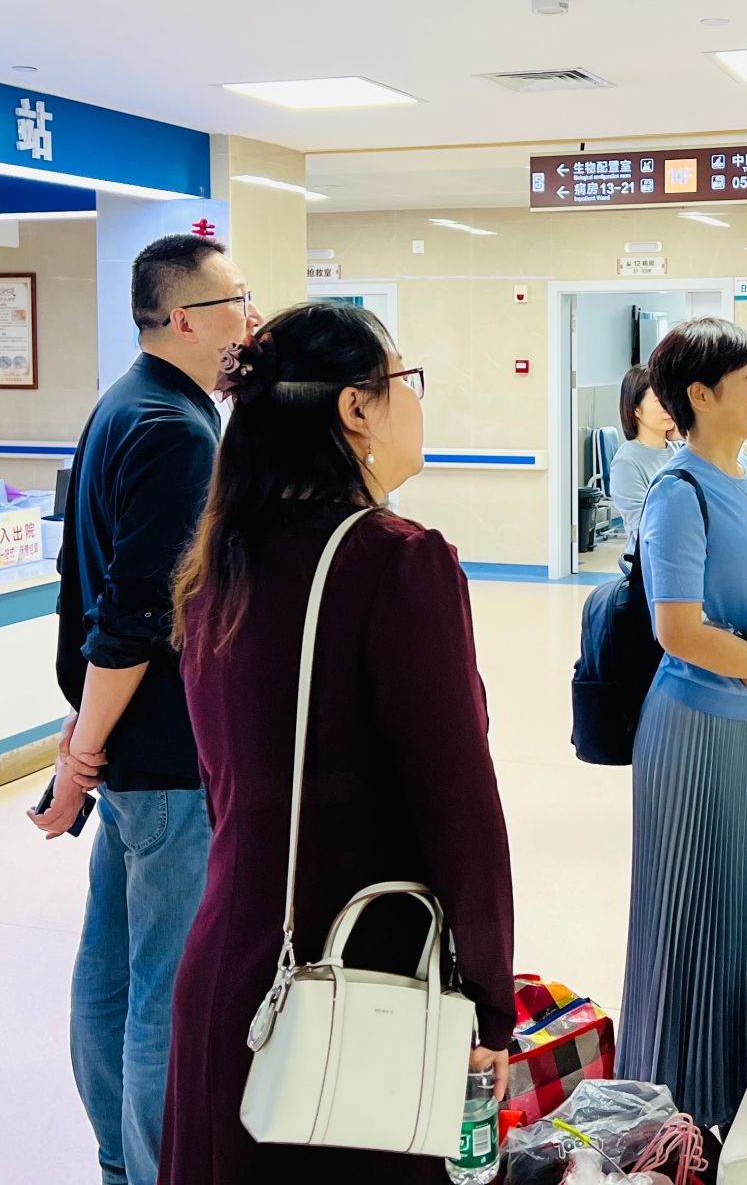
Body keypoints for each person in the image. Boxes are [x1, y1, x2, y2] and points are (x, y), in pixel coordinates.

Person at [161, 302, 515, 1184]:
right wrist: (488, 1001)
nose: (416, 402)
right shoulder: (397, 561)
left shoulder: (218, 562)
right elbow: (459, 809)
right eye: (405, 381)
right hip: (356, 985)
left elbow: (224, 786)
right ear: (355, 407)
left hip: (231, 970)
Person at [30, 234, 261, 1185]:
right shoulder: (177, 431)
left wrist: (88, 733)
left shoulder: (125, 402)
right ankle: (155, 1169)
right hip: (165, 756)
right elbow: (134, 616)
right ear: (183, 319)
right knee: (165, 991)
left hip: (133, 751)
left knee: (112, 971)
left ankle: (119, 1164)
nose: (250, 317)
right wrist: (81, 755)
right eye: (236, 299)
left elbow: (78, 586)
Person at [620, 318, 747, 1133]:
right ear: (700, 395)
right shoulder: (680, 492)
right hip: (694, 731)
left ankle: (746, 1092)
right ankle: (679, 1112)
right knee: (692, 917)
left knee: (746, 907)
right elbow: (677, 629)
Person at [607, 364, 679, 546]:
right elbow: (645, 526)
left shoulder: (680, 450)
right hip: (652, 555)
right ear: (636, 409)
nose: (669, 406)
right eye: (659, 400)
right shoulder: (626, 462)